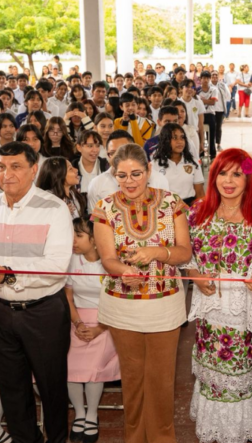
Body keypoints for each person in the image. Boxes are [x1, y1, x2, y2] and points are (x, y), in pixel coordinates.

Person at [0, 142, 74, 443]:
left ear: (34, 169)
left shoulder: (54, 208)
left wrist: (6, 273)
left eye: (16, 166)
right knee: (12, 388)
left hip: (44, 311)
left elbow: (56, 266)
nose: (7, 174)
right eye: (1, 167)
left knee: (51, 387)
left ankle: (58, 439)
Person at [91, 143, 192, 443]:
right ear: (114, 176)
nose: (130, 181)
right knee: (133, 381)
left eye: (136, 173)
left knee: (162, 381)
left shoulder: (172, 202)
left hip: (164, 305)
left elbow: (184, 253)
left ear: (149, 171)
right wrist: (125, 272)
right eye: (122, 175)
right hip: (123, 306)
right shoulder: (104, 207)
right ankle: (133, 439)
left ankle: (163, 438)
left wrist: (156, 252)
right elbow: (107, 258)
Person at [184, 148, 252, 443]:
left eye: (237, 174)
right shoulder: (198, 211)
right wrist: (194, 274)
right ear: (213, 176)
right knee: (213, 363)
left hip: (245, 305)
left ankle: (238, 431)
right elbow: (184, 251)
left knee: (240, 365)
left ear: (248, 178)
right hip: (211, 306)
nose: (229, 181)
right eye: (223, 173)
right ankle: (215, 426)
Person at [65, 216, 120, 443]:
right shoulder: (71, 261)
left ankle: (91, 414)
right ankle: (79, 412)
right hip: (77, 320)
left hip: (107, 322)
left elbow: (118, 301)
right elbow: (67, 298)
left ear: (95, 239)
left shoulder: (109, 263)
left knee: (94, 365)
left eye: (78, 235)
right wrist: (77, 324)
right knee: (69, 364)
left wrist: (99, 328)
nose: (73, 240)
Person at [87, 131, 170, 209]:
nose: (118, 157)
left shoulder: (159, 179)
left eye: (124, 151)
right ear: (107, 154)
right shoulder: (96, 184)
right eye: (113, 153)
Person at [152, 122, 205, 205]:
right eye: (174, 138)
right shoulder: (155, 165)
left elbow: (200, 193)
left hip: (189, 207)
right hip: (165, 207)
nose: (179, 142)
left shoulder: (192, 162)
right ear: (165, 140)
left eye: (182, 138)